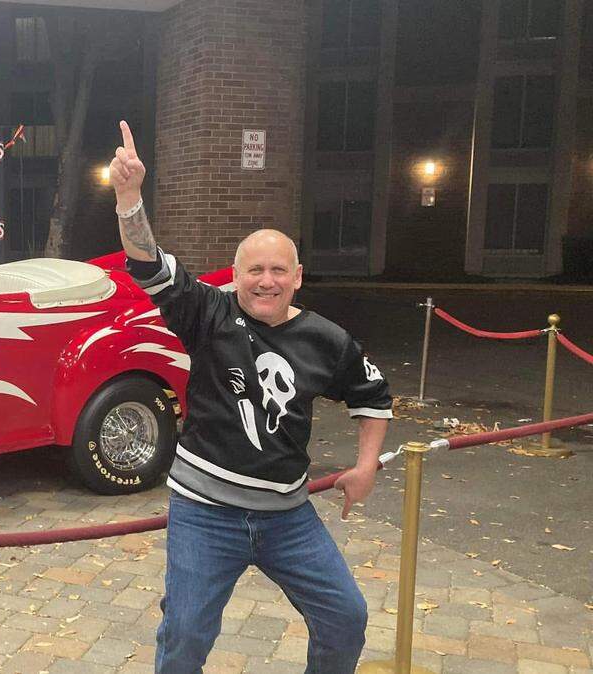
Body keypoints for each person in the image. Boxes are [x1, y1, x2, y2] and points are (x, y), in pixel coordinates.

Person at [108, 120, 393, 674]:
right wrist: (128, 196)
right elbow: (147, 263)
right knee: (186, 635)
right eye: (254, 270)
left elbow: (374, 397)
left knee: (346, 617)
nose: (267, 280)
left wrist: (365, 467)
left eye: (278, 270)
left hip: (288, 516)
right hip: (204, 514)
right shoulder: (207, 312)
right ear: (234, 276)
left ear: (298, 277)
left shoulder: (326, 339)